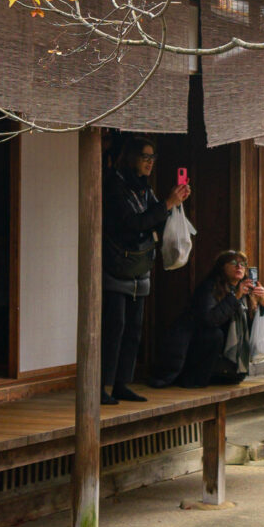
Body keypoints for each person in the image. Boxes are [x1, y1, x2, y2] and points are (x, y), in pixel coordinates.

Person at [103, 136, 188, 403]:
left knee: (134, 330)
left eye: (153, 158)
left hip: (140, 266)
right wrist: (167, 205)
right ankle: (100, 385)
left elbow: (152, 217)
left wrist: (171, 204)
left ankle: (121, 383)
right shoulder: (115, 184)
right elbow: (133, 223)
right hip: (117, 265)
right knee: (114, 328)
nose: (150, 163)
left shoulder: (143, 188)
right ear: (131, 158)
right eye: (145, 157)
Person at [153, 250, 264, 388]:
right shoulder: (210, 287)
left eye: (242, 264)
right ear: (222, 267)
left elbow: (256, 325)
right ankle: (197, 378)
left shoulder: (247, 290)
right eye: (233, 263)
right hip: (197, 346)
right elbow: (210, 320)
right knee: (214, 335)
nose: (239, 267)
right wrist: (235, 297)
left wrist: (263, 303)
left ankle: (230, 372)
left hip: (224, 357)